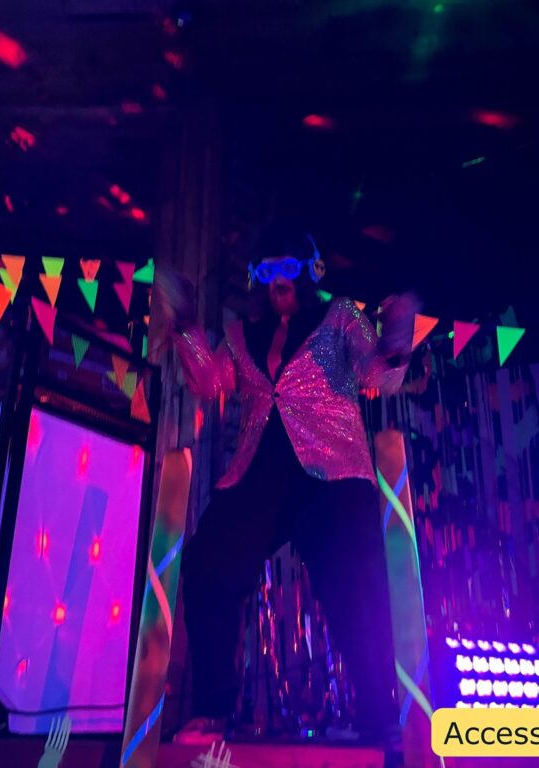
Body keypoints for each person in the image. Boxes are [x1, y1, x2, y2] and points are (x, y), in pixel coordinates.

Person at [155, 223, 417, 746]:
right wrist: (184, 322)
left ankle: (379, 716)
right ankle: (212, 709)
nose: (277, 279)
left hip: (334, 473)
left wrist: (394, 336)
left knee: (355, 590)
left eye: (287, 268)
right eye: (268, 269)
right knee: (207, 563)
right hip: (262, 469)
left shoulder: (340, 315)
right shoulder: (240, 334)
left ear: (307, 271)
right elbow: (209, 383)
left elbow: (378, 376)